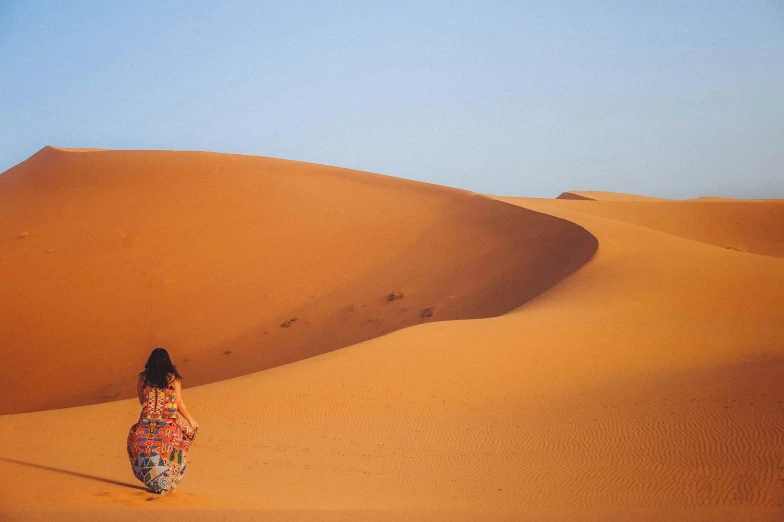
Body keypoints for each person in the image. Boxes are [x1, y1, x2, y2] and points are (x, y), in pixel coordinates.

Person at [126, 347, 198, 494]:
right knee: (183, 439)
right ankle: (168, 482)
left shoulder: (143, 379)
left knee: (140, 448)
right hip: (168, 424)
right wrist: (191, 420)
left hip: (146, 423)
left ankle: (156, 481)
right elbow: (178, 402)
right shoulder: (173, 378)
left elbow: (142, 400)